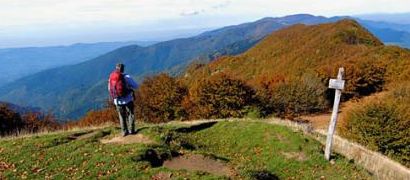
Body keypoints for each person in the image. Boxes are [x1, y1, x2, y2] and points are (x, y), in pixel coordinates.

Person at [108, 63, 138, 136]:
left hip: (117, 100)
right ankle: (132, 130)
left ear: (116, 68)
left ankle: (124, 131)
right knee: (130, 114)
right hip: (127, 99)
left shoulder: (111, 77)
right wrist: (129, 88)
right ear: (123, 69)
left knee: (121, 116)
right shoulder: (126, 77)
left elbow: (109, 89)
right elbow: (136, 86)